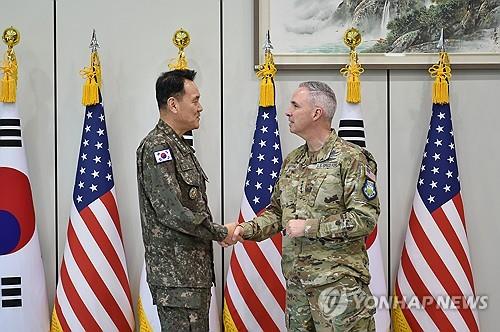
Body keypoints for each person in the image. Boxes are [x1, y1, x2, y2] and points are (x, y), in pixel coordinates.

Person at [230, 81, 380, 331]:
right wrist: (243, 230)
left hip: (338, 287)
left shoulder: (352, 158)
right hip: (298, 287)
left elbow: (364, 218)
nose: (287, 111)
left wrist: (310, 227)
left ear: (316, 113)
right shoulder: (293, 161)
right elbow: (277, 213)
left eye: (295, 105)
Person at [137, 69, 235, 331]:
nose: (200, 107)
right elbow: (173, 212)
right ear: (173, 104)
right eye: (195, 100)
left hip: (191, 276)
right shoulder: (158, 147)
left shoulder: (178, 146)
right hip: (176, 280)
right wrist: (219, 231)